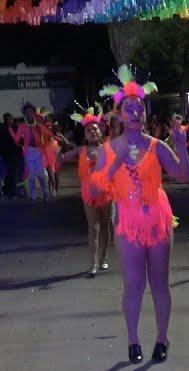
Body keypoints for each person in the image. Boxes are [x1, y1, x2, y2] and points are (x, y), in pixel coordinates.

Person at [92, 66, 189, 363]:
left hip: (158, 221)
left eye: (139, 108)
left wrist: (183, 148)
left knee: (160, 283)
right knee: (133, 286)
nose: (135, 112)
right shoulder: (109, 149)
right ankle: (133, 340)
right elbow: (96, 191)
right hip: (127, 221)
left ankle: (162, 339)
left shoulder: (157, 146)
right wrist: (115, 163)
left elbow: (184, 175)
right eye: (129, 108)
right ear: (120, 115)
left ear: (145, 114)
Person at [60, 108, 113, 277]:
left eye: (95, 129)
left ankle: (104, 258)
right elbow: (61, 158)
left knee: (105, 225)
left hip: (106, 192)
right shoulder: (80, 150)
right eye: (88, 130)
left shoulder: (108, 148)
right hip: (89, 194)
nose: (92, 132)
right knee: (93, 227)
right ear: (85, 134)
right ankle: (93, 263)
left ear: (101, 130)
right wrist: (59, 146)